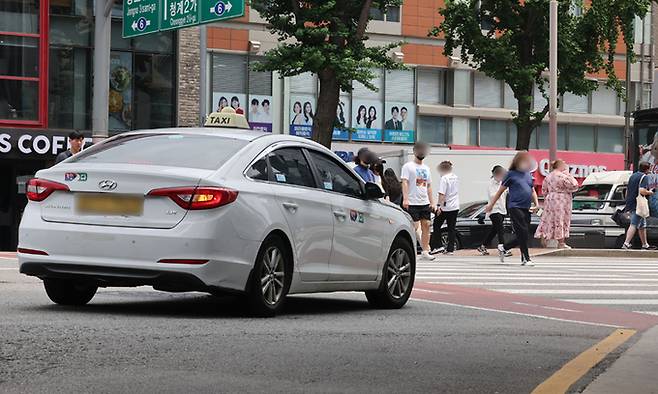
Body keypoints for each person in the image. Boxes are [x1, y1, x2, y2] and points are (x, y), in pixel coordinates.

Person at [486, 151, 539, 266]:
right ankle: (526, 258)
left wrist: (537, 204)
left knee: (524, 233)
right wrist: (491, 205)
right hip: (515, 207)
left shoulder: (528, 175)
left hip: (527, 207)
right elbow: (500, 191)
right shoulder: (510, 174)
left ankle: (504, 247)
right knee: (523, 231)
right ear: (518, 161)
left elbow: (532, 191)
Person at [401, 142, 435, 261]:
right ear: (415, 151)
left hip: (424, 201)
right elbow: (404, 182)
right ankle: (412, 250)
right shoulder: (408, 166)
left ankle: (425, 251)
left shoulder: (426, 168)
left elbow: (429, 186)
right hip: (412, 201)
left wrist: (432, 202)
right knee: (414, 227)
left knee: (426, 225)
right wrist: (405, 198)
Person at [534, 159, 579, 249]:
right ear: (560, 166)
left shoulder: (548, 177)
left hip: (550, 199)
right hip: (561, 200)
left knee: (548, 219)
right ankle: (561, 242)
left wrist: (549, 196)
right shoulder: (562, 176)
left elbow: (544, 190)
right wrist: (569, 175)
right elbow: (574, 185)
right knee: (560, 220)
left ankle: (544, 236)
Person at [621, 161, 657, 250]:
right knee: (634, 223)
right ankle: (626, 243)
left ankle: (645, 244)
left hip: (632, 202)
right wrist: (650, 192)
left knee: (642, 224)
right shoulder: (644, 177)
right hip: (638, 203)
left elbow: (628, 190)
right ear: (647, 169)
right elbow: (642, 190)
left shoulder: (633, 176)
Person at [477, 165, 511, 257]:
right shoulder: (491, 183)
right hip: (494, 210)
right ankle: (503, 248)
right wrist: (500, 191)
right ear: (495, 174)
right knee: (500, 229)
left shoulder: (503, 182)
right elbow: (492, 196)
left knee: (495, 230)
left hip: (502, 209)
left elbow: (507, 193)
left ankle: (483, 245)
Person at [430, 161, 460, 255]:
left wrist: (439, 206)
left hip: (446, 207)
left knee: (436, 224)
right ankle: (450, 249)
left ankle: (438, 246)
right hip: (455, 206)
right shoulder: (455, 177)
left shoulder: (444, 178)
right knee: (452, 227)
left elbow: (442, 194)